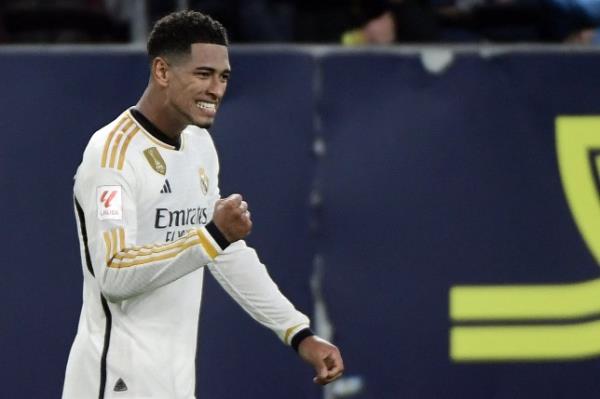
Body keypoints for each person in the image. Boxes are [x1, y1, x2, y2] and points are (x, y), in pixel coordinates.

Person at [62, 10, 344, 399]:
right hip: (114, 381)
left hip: (175, 382)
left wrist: (297, 331)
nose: (216, 89)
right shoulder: (111, 155)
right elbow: (113, 274)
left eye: (224, 77)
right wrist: (211, 235)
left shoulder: (199, 145)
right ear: (162, 72)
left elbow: (223, 252)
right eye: (203, 74)